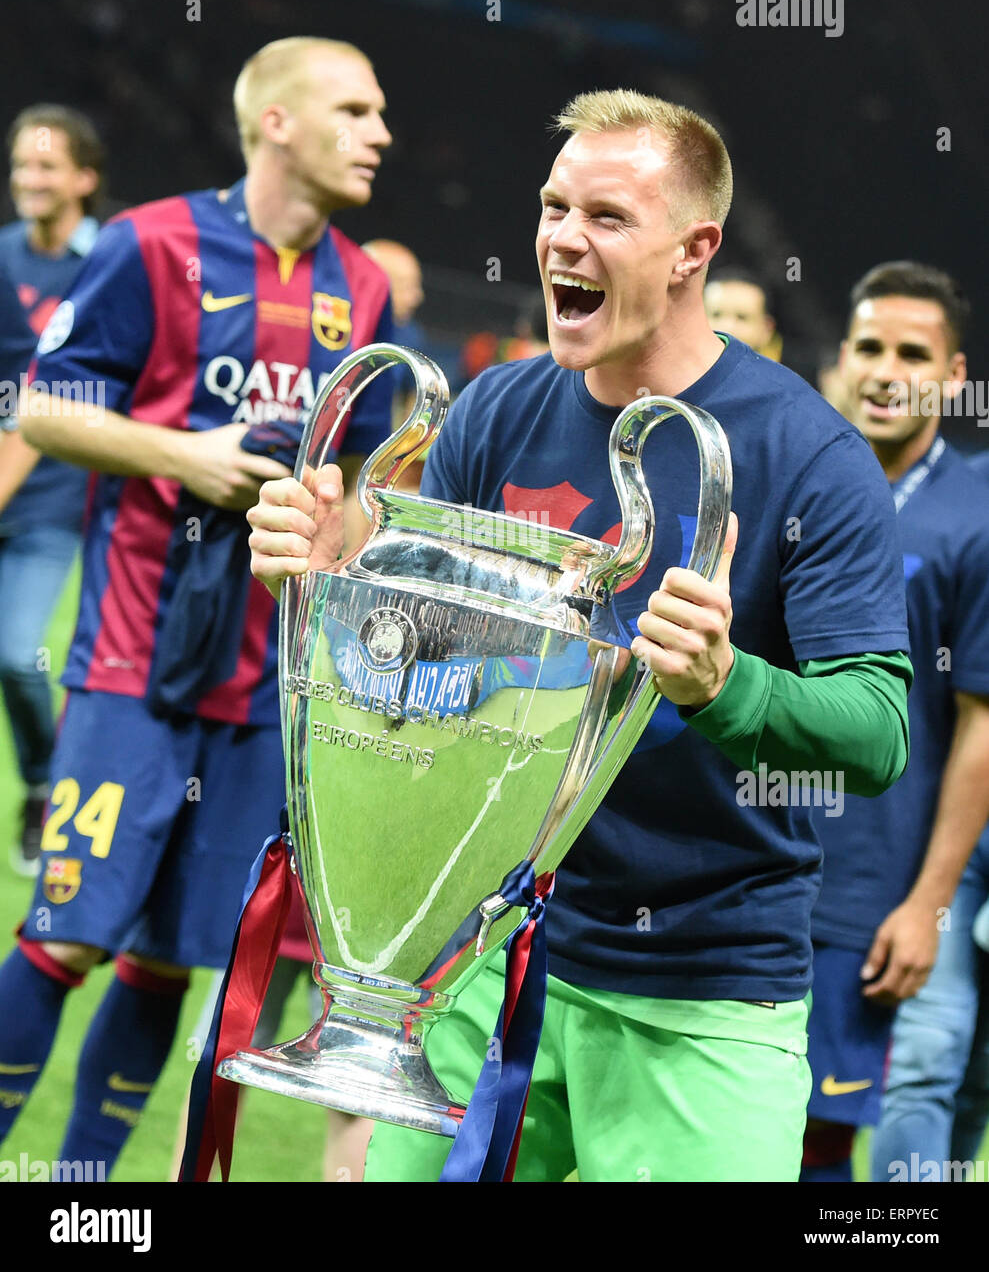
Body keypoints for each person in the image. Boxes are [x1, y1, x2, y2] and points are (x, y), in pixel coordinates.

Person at [247, 88, 914, 1183]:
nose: (561, 236)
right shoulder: (497, 411)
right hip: (480, 958)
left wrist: (721, 683)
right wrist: (344, 583)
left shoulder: (809, 457)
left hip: (700, 991)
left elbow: (877, 731)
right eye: (554, 206)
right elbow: (425, 688)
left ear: (695, 248)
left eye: (606, 217)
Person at [0, 36, 395, 1178]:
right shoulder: (152, 242)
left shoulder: (361, 286)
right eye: (356, 109)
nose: (381, 132)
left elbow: (370, 480)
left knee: (177, 961)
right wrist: (188, 455)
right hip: (134, 665)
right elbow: (46, 408)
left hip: (268, 688)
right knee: (68, 932)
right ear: (276, 121)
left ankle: (83, 1200)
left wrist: (348, 512)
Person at [801, 262, 989, 1181]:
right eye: (868, 347)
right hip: (749, 855)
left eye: (912, 354)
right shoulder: (796, 472)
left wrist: (927, 904)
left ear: (953, 378)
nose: (885, 370)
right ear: (841, 358)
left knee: (817, 1135)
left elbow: (979, 727)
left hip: (867, 879)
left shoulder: (976, 514)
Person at [0, 105, 104, 875]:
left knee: (19, 655)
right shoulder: (3, 256)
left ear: (83, 179)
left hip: (54, 501)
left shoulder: (108, 266)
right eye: (20, 166)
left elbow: (47, 405)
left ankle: (41, 785)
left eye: (45, 166)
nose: (28, 179)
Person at [703, 265, 781, 361]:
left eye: (741, 318)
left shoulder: (785, 375)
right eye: (716, 315)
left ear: (766, 329)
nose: (726, 328)